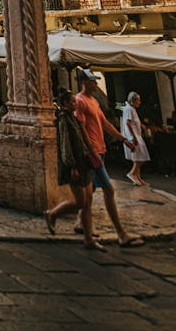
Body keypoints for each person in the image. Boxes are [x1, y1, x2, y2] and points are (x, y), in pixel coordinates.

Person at [74, 70, 143, 247]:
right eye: (93, 81)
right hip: (93, 152)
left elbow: (105, 124)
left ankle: (79, 223)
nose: (96, 84)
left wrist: (123, 139)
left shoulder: (94, 101)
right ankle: (121, 233)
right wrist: (91, 151)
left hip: (100, 150)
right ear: (84, 82)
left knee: (91, 191)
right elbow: (81, 129)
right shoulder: (79, 101)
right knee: (109, 190)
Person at [43, 88, 101, 250]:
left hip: (84, 163)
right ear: (64, 104)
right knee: (81, 202)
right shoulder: (63, 120)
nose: (75, 104)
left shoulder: (73, 118)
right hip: (75, 166)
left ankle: (88, 238)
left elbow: (83, 138)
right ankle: (52, 213)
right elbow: (65, 146)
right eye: (72, 101)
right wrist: (72, 166)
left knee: (87, 201)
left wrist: (92, 153)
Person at [121, 92, 150, 186]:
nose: (139, 102)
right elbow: (128, 123)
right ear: (133, 101)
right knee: (142, 156)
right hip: (134, 136)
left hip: (136, 135)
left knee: (138, 157)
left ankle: (138, 178)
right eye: (138, 100)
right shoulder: (130, 109)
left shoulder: (130, 109)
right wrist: (133, 136)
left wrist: (140, 125)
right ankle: (132, 173)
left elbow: (132, 121)